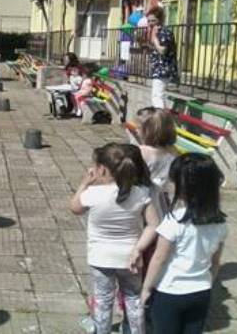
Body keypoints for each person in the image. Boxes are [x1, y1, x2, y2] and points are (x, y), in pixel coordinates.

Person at [70, 143, 159, 334]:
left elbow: (75, 208)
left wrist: (84, 184)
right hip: (130, 258)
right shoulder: (140, 193)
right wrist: (139, 249)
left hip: (100, 259)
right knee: (133, 298)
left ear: (102, 169)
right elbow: (154, 224)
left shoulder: (93, 194)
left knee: (103, 300)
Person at [142, 154, 227, 334]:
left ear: (183, 187)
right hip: (202, 292)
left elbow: (159, 259)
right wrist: (208, 282)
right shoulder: (221, 223)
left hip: (169, 292)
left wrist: (146, 289)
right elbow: (215, 262)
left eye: (172, 180)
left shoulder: (174, 221)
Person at [136, 107, 178, 217]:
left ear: (149, 131)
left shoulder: (141, 152)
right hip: (166, 201)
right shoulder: (174, 151)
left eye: (139, 127)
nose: (136, 129)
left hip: (145, 201)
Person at [146, 7, 178, 109]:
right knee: (159, 96)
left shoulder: (165, 32)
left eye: (153, 20)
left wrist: (154, 39)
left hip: (163, 69)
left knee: (157, 97)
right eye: (148, 21)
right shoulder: (157, 32)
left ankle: (159, 117)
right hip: (159, 69)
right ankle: (162, 116)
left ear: (160, 20)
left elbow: (162, 50)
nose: (150, 23)